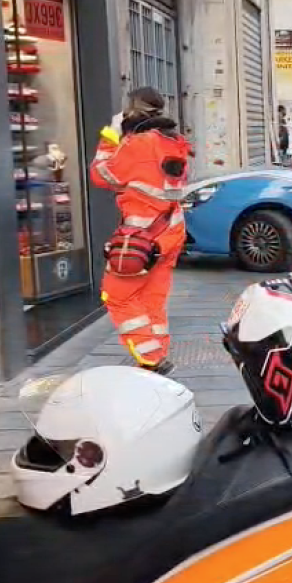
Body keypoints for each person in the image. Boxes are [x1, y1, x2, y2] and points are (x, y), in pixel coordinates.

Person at [91, 87, 190, 375]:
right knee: (152, 299)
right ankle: (157, 355)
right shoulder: (174, 142)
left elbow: (101, 175)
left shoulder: (139, 143)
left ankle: (151, 359)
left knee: (116, 296)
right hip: (169, 231)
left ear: (133, 110)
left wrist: (110, 137)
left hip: (141, 234)